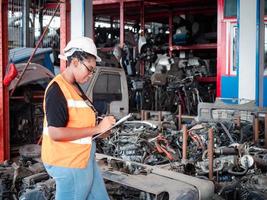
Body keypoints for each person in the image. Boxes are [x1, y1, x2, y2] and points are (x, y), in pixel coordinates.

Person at [41, 36, 115, 200]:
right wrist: (97, 128)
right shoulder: (57, 90)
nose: (90, 74)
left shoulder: (75, 87)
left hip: (83, 159)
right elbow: (55, 133)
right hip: (69, 163)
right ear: (74, 62)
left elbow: (78, 122)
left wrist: (100, 131)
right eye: (89, 69)